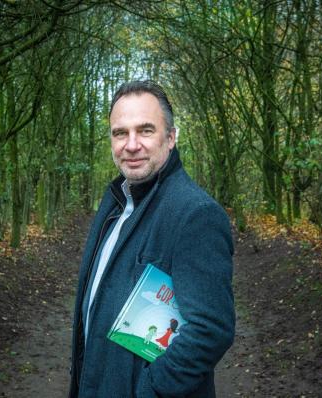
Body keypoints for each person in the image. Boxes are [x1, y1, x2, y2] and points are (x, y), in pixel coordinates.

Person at [69, 80, 235, 398]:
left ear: (170, 138)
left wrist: (149, 390)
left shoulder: (195, 213)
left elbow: (210, 330)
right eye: (120, 133)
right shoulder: (115, 204)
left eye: (145, 130)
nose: (131, 144)